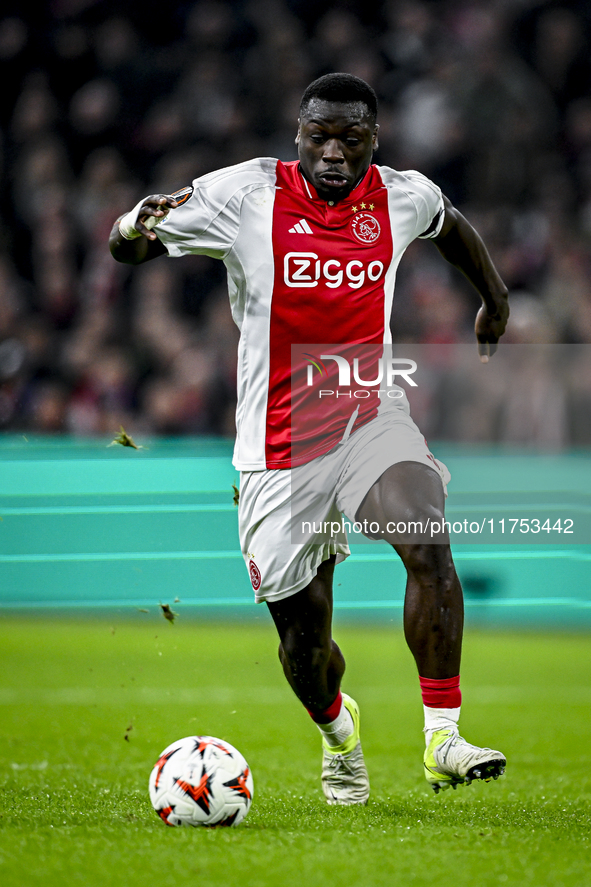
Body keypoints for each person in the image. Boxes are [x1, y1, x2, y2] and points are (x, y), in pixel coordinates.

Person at [110, 73, 509, 805]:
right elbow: (124, 249)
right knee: (305, 645)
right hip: (277, 448)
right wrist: (137, 222)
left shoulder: (400, 195)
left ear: (372, 141)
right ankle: (338, 732)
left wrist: (494, 297)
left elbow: (449, 223)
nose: (332, 152)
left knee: (425, 538)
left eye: (349, 140)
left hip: (367, 417)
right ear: (296, 135)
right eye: (318, 136)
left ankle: (441, 735)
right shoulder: (245, 195)